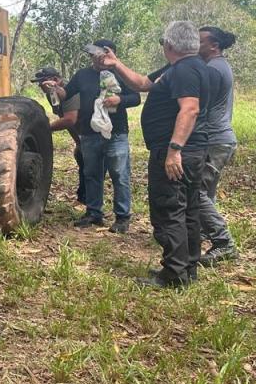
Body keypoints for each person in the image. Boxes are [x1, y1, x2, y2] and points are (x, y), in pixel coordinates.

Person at [99, 21, 209, 288]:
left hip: (176, 152)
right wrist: (116, 64)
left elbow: (190, 109)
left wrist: (174, 150)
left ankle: (174, 274)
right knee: (188, 210)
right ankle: (186, 268)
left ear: (169, 45)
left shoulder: (185, 70)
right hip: (189, 151)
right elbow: (141, 83)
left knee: (169, 210)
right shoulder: (180, 68)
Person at [61, 40, 140, 233]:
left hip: (116, 132)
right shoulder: (82, 75)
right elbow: (66, 94)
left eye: (99, 55)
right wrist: (54, 89)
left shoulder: (120, 73)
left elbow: (136, 97)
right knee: (92, 174)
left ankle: (122, 217)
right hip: (89, 133)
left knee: (119, 174)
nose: (95, 59)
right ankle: (93, 212)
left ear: (110, 55)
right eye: (93, 55)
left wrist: (119, 99)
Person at [197, 26, 239, 265]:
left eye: (200, 41)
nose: (196, 44)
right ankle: (203, 232)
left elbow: (198, 105)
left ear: (214, 45)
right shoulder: (219, 65)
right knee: (207, 191)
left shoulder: (213, 69)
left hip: (215, 140)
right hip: (219, 139)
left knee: (197, 191)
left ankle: (224, 243)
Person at [34, 67, 85, 204]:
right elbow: (62, 114)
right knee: (81, 157)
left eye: (43, 82)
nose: (40, 86)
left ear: (55, 80)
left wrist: (45, 129)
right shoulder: (51, 94)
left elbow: (69, 119)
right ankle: (84, 197)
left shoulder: (69, 90)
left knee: (88, 162)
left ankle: (88, 199)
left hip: (90, 132)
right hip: (79, 135)